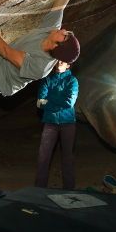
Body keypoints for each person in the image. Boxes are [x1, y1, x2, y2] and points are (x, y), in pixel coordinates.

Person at [35, 60, 78, 189]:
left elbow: (69, 102)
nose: (60, 62)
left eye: (63, 61)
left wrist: (50, 99)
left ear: (68, 65)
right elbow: (39, 103)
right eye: (58, 60)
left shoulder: (72, 81)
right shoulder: (47, 80)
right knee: (43, 157)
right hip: (50, 123)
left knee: (67, 157)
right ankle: (39, 189)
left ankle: (69, 190)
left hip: (68, 123)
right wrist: (59, 100)